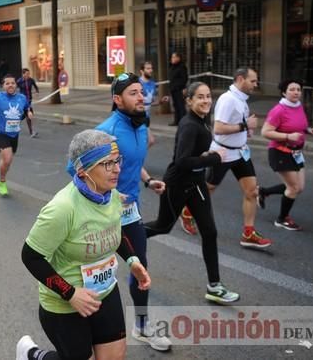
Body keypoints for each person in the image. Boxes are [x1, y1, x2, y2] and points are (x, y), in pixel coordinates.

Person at [16, 129, 151, 360]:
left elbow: (113, 230)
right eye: (107, 164)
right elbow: (31, 257)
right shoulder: (62, 209)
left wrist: (132, 260)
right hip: (65, 303)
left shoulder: (112, 195)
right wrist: (70, 293)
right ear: (83, 170)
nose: (117, 169)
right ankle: (32, 355)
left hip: (106, 291)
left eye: (117, 161)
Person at [95, 72, 171, 351]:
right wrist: (110, 193)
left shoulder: (140, 126)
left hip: (130, 212)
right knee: (95, 273)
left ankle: (141, 325)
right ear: (117, 99)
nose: (142, 97)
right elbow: (76, 170)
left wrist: (148, 180)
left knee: (139, 266)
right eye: (133, 93)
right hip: (100, 212)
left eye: (142, 92)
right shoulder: (106, 131)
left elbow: (128, 164)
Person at [144, 82, 240, 304]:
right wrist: (214, 158)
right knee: (162, 226)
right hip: (177, 184)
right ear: (189, 101)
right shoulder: (189, 124)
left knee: (210, 232)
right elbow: (182, 161)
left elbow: (194, 154)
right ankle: (126, 237)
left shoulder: (201, 122)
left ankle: (214, 286)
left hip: (196, 184)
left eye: (208, 96)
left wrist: (206, 154)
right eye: (200, 97)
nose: (206, 100)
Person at [203, 67, 272, 249]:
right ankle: (187, 210)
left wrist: (246, 131)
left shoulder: (241, 99)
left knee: (252, 192)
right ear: (241, 79)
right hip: (223, 153)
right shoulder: (228, 100)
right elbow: (218, 128)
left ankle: (248, 233)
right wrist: (243, 126)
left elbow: (236, 125)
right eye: (253, 81)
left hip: (241, 153)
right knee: (207, 189)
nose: (256, 85)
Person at [258, 80, 313, 230]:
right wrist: (287, 137)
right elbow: (265, 132)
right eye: (292, 89)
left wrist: (307, 130)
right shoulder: (278, 110)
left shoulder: (298, 107)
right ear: (284, 92)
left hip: (296, 153)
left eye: (298, 89)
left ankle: (263, 191)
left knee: (299, 187)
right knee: (293, 187)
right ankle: (282, 219)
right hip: (280, 153)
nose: (296, 92)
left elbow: (297, 126)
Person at [17, 68, 39, 138]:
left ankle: (15, 123)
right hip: (23, 100)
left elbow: (35, 86)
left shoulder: (31, 80)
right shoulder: (19, 81)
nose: (28, 75)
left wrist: (37, 92)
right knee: (28, 115)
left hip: (29, 100)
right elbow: (14, 88)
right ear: (23, 74)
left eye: (29, 74)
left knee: (26, 115)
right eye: (26, 74)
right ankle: (31, 132)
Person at [168, 52, 188, 126]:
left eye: (174, 57)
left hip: (179, 89)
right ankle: (177, 121)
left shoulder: (182, 67)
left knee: (181, 106)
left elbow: (184, 78)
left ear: (178, 58)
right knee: (175, 105)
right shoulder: (172, 66)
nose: (172, 59)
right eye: (172, 57)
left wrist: (182, 87)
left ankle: (184, 121)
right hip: (173, 89)